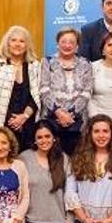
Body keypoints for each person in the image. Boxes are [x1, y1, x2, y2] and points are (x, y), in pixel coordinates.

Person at [0, 25, 41, 151]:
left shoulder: (35, 66)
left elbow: (37, 96)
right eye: (13, 40)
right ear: (7, 43)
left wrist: (24, 117)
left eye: (22, 41)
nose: (17, 44)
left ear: (27, 45)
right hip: (2, 123)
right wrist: (13, 121)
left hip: (28, 124)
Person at [40, 27, 93, 155]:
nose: (67, 45)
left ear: (77, 46)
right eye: (63, 41)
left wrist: (71, 114)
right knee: (53, 158)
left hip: (77, 121)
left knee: (76, 158)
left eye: (71, 42)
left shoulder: (85, 63)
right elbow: (44, 89)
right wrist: (59, 113)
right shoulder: (47, 62)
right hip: (52, 119)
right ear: (58, 43)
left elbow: (87, 91)